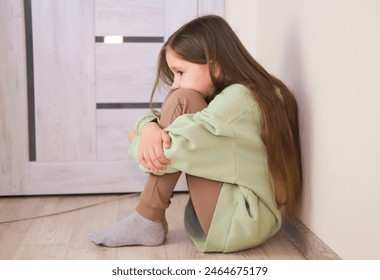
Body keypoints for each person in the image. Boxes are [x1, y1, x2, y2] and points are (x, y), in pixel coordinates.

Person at [90, 15, 302, 253]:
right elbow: (164, 136)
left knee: (182, 100)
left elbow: (163, 153)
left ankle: (147, 216)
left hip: (240, 222)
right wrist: (148, 127)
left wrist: (139, 137)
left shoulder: (238, 100)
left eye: (180, 72)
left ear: (215, 64)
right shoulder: (250, 93)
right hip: (248, 219)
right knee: (181, 102)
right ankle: (148, 218)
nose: (175, 83)